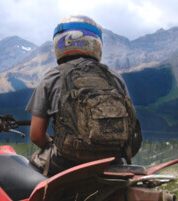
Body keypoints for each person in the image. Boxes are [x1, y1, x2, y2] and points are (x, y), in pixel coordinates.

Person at [26, 15, 141, 176]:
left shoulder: (52, 77)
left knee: (28, 169)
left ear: (59, 44)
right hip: (112, 162)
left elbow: (36, 135)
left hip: (64, 163)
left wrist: (62, 145)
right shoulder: (113, 77)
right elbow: (131, 127)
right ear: (96, 44)